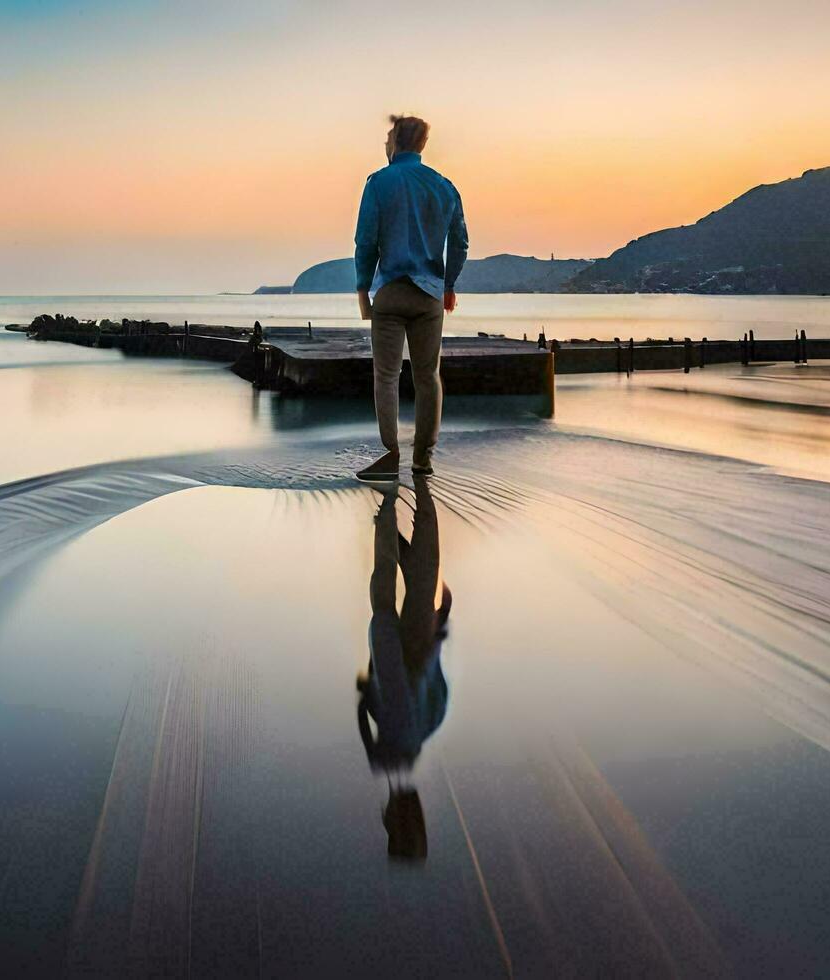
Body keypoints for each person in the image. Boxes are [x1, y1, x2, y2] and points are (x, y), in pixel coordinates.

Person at [352, 114, 469, 482]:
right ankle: (423, 459)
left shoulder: (378, 182)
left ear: (398, 141)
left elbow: (366, 241)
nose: (385, 143)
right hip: (429, 294)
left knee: (386, 376)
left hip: (390, 290)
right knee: (428, 376)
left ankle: (390, 455)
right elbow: (460, 243)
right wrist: (449, 284)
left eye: (388, 137)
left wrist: (361, 288)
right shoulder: (444, 186)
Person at [356, 476, 453, 860]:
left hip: (412, 651)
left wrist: (440, 624)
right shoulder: (391, 757)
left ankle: (398, 497)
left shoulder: (427, 727)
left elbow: (426, 679)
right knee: (386, 591)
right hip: (400, 658)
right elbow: (377, 706)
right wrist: (366, 699)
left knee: (410, 580)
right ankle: (389, 503)